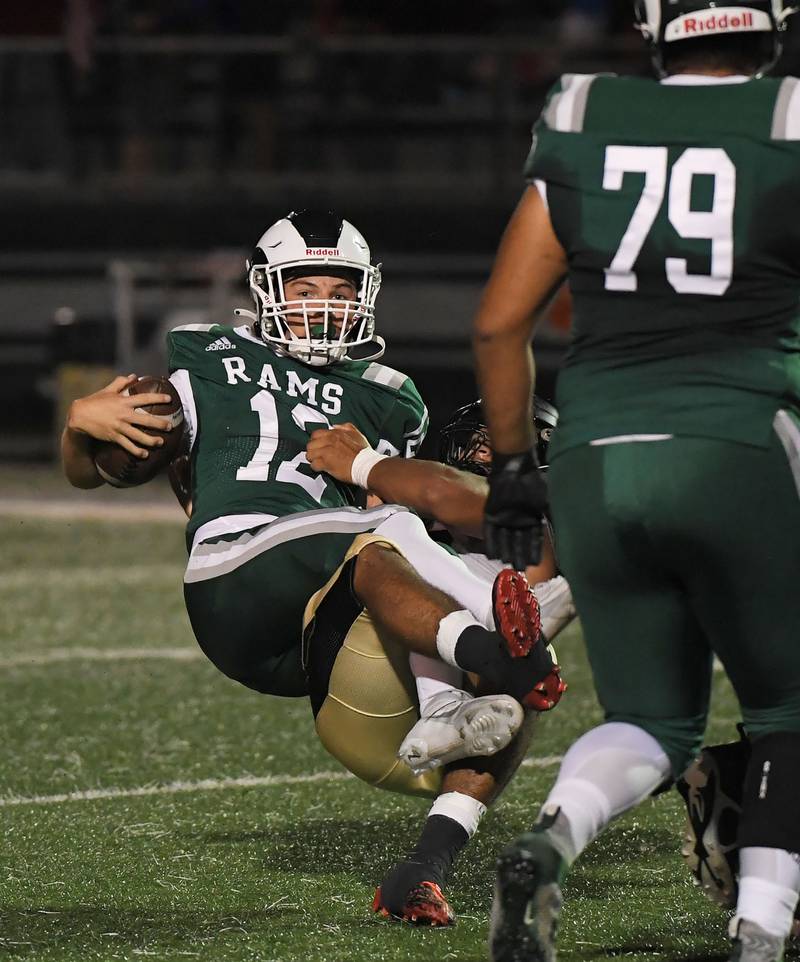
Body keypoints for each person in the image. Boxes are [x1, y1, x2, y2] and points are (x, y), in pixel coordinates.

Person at [469, 4, 800, 961]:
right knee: (786, 710)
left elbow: (498, 325)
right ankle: (761, 931)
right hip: (740, 441)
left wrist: (516, 474)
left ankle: (551, 840)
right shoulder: (785, 121)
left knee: (651, 719)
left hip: (598, 448)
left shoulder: (583, 112)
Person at [61, 211, 556, 780]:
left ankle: (445, 712)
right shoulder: (208, 355)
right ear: (268, 289)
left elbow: (385, 522)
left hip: (315, 624)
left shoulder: (391, 397)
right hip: (236, 563)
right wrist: (79, 429)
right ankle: (511, 636)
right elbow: (93, 473)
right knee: (391, 527)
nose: (324, 306)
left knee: (393, 543)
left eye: (341, 291)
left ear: (366, 295)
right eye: (305, 289)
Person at [304, 396, 572, 925]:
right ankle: (478, 674)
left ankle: (422, 869)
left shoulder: (530, 534)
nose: (488, 452)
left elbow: (485, 511)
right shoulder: (430, 502)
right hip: (354, 686)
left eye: (505, 445)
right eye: (482, 440)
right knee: (395, 531)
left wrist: (368, 467)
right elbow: (438, 495)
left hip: (444, 744)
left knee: (505, 617)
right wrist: (372, 473)